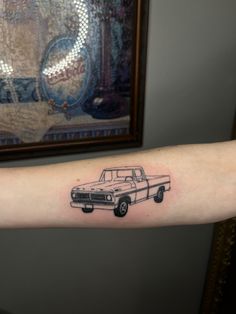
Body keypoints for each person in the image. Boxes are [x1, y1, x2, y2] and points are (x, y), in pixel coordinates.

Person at [0, 140, 235, 229]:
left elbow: (216, 175)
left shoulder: (140, 183)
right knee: (86, 194)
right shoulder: (101, 185)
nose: (114, 181)